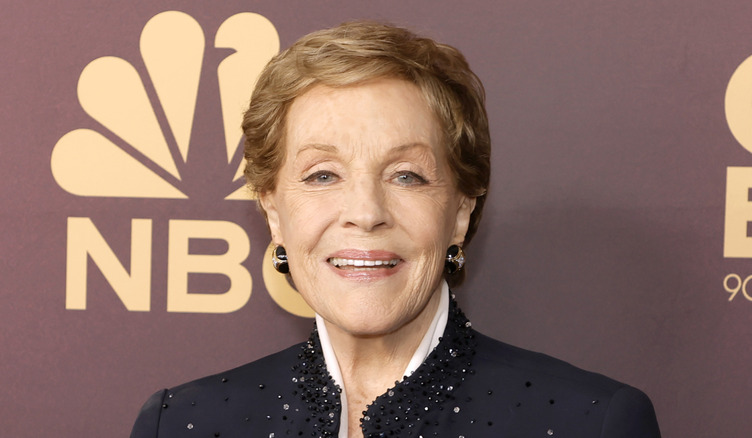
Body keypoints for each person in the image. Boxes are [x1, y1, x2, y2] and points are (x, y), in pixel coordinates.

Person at [130, 21, 661, 438]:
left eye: (406, 175)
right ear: (273, 211)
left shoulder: (590, 423)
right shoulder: (180, 423)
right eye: (322, 175)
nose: (366, 213)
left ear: (460, 212)